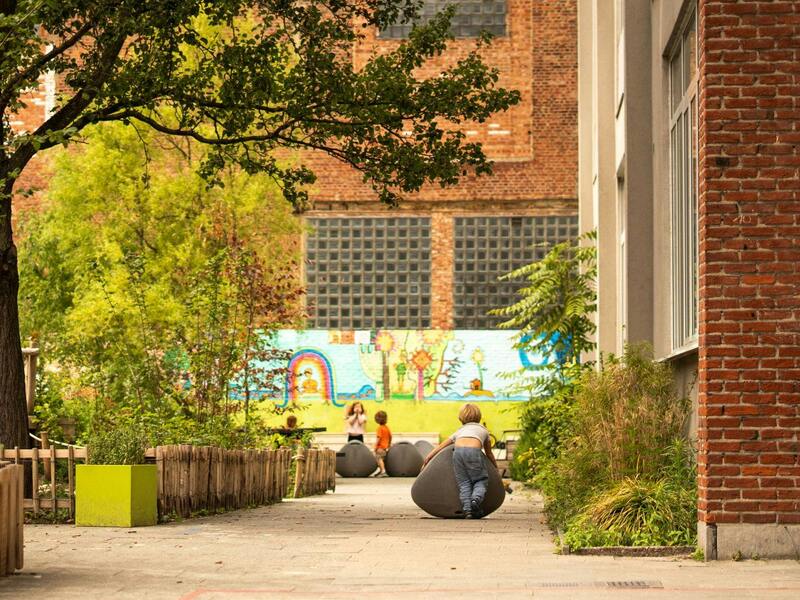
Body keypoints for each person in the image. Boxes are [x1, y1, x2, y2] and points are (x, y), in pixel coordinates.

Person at [422, 403, 498, 519]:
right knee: (480, 480)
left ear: (460, 419)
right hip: (473, 452)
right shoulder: (483, 430)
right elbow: (489, 453)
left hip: (457, 453)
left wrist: (428, 457)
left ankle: (467, 510)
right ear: (479, 417)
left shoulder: (459, 431)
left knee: (464, 483)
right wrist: (495, 467)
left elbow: (442, 445)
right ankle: (475, 500)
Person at [373, 410, 392, 477]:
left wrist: (375, 446)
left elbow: (378, 438)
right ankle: (381, 470)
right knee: (382, 460)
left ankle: (383, 471)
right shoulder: (387, 428)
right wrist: (389, 445)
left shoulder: (380, 428)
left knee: (378, 459)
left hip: (380, 448)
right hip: (385, 448)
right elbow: (390, 436)